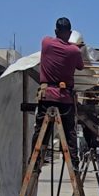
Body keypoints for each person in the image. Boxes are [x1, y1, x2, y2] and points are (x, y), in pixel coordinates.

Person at [37, 17, 85, 161]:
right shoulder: (74, 51)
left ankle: (35, 161)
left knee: (40, 132)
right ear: (70, 33)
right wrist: (76, 47)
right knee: (69, 132)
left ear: (55, 31)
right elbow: (80, 66)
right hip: (65, 98)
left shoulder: (46, 42)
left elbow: (53, 42)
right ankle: (73, 163)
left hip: (47, 96)